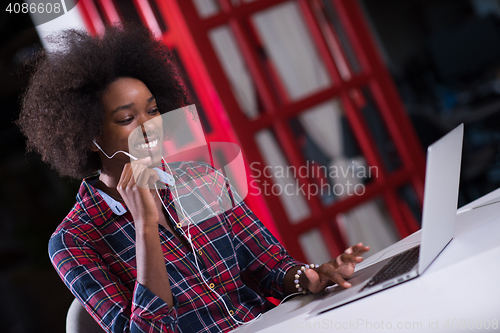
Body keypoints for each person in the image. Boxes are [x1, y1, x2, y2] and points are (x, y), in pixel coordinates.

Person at [17, 23, 369, 332]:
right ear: (88, 134)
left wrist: (311, 277)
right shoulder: (74, 241)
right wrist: (145, 228)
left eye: (154, 111)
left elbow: (271, 266)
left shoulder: (201, 180)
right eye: (127, 119)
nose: (150, 127)